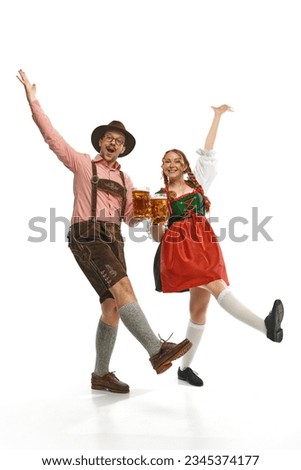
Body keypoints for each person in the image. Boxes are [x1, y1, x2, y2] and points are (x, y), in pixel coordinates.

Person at [17, 69, 192, 394]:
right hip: (86, 234)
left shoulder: (127, 183)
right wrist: (33, 101)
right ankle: (156, 351)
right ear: (101, 142)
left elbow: (133, 220)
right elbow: (52, 137)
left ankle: (101, 375)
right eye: (110, 138)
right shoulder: (83, 163)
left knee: (112, 304)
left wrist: (156, 215)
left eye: (120, 141)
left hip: (114, 238)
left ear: (124, 149)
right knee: (123, 285)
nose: (114, 142)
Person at [150, 104, 284, 387]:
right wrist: (155, 219)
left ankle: (185, 369)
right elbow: (155, 235)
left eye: (176, 160)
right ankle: (266, 326)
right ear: (162, 167)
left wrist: (217, 116)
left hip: (205, 243)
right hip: (180, 247)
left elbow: (208, 150)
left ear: (185, 165)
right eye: (166, 161)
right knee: (216, 284)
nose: (171, 164)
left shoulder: (198, 183)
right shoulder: (159, 195)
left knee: (198, 311)